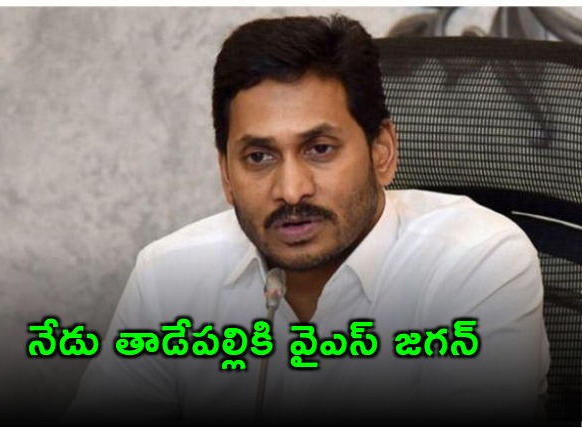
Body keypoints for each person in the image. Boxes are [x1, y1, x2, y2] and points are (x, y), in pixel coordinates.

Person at [67, 14, 549, 424]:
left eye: (319, 149)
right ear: (227, 175)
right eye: (259, 157)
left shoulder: (476, 259)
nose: (291, 190)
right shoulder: (168, 275)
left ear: (382, 152)